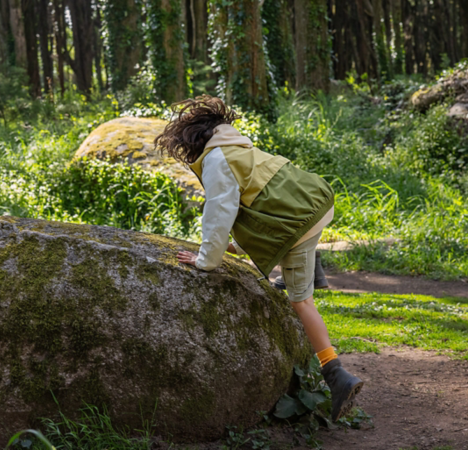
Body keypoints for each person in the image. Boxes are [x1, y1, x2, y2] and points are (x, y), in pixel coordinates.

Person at [154, 95, 362, 422]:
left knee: (301, 301)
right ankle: (309, 274)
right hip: (314, 202)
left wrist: (205, 260)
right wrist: (233, 249)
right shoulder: (240, 149)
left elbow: (220, 211)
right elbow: (259, 206)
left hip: (298, 224)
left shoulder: (216, 159)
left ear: (194, 142)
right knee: (297, 254)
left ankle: (336, 374)